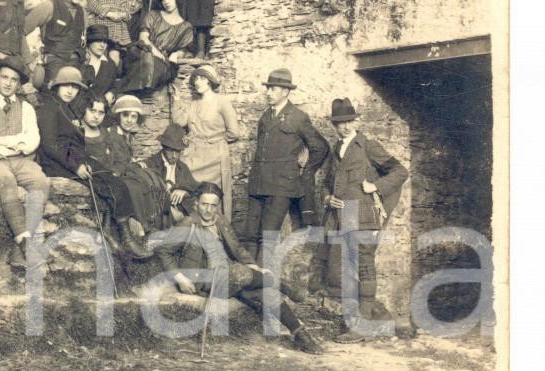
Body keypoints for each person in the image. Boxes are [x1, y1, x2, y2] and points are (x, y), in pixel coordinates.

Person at [156, 182, 322, 354]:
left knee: (266, 292)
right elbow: (163, 251)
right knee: (240, 274)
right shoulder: (187, 224)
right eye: (204, 204)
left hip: (231, 276)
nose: (208, 210)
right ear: (196, 203)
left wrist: (254, 267)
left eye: (213, 205)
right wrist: (180, 279)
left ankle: (301, 336)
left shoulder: (219, 221)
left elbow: (237, 248)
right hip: (204, 279)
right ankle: (280, 283)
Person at [320, 97, 407, 342]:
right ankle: (367, 322)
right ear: (334, 125)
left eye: (349, 121)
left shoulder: (368, 146)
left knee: (365, 266)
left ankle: (363, 326)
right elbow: (326, 184)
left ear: (355, 121)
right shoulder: (335, 150)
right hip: (342, 217)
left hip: (364, 216)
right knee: (345, 271)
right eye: (340, 123)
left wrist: (375, 187)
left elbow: (400, 171)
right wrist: (328, 198)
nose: (345, 126)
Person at [0, 55, 50, 270]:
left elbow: (32, 142)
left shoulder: (26, 108)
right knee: (6, 181)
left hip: (20, 161)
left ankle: (19, 249)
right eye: (4, 77)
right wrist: (13, 142)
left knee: (40, 182)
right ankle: (25, 244)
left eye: (14, 80)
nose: (8, 83)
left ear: (19, 84)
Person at [243, 67, 329, 268]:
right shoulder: (266, 116)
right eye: (268, 88)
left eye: (273, 89)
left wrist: (305, 169)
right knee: (249, 235)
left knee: (268, 237)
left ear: (285, 91)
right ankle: (249, 277)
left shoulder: (298, 117)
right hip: (258, 183)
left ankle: (262, 281)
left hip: (281, 186)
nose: (268, 92)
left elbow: (321, 147)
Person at [81, 97, 168, 257]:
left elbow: (123, 159)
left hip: (116, 172)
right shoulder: (111, 135)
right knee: (134, 186)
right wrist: (130, 166)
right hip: (109, 174)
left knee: (149, 179)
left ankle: (154, 226)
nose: (129, 120)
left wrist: (133, 162)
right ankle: (141, 230)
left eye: (133, 116)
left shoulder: (124, 135)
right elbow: (113, 163)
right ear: (117, 116)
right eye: (125, 115)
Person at [171, 63, 242, 221]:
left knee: (211, 195)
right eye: (196, 79)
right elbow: (179, 122)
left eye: (202, 78)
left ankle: (216, 229)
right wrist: (176, 99)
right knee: (189, 191)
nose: (197, 82)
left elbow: (234, 132)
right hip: (194, 155)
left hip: (214, 158)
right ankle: (191, 228)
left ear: (210, 81)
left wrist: (214, 140)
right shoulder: (194, 103)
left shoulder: (222, 102)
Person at [24, 0, 89, 89]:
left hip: (76, 70)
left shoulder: (83, 13)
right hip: (53, 69)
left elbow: (83, 42)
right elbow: (19, 32)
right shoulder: (49, 6)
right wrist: (29, 61)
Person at [123, 0, 195, 93]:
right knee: (147, 59)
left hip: (162, 63)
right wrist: (158, 54)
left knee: (161, 68)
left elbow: (184, 50)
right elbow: (143, 38)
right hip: (143, 53)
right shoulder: (153, 15)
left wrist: (176, 54)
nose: (166, 1)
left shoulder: (186, 27)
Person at [144, 123, 199, 224]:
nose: (174, 156)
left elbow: (197, 189)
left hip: (181, 212)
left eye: (178, 151)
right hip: (158, 215)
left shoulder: (182, 167)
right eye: (171, 150)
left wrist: (185, 191)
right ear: (164, 147)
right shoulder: (150, 164)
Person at [78, 24, 118, 115]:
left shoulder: (110, 65)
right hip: (76, 109)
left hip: (99, 112)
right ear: (89, 42)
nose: (102, 45)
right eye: (98, 40)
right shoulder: (79, 60)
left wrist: (111, 93)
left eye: (105, 42)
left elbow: (114, 85)